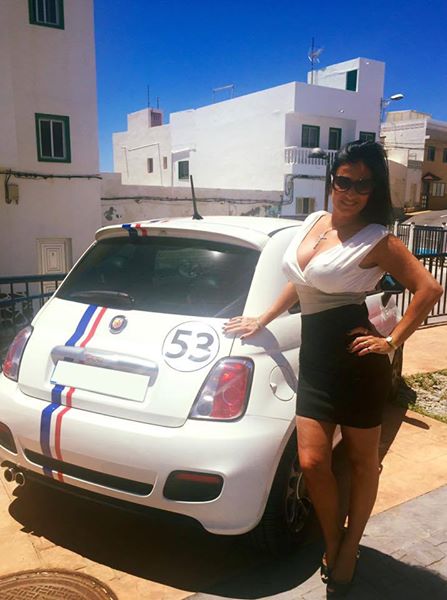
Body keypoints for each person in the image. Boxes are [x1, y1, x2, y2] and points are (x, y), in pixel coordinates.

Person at [224, 140, 443, 597]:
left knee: (363, 462)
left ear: (373, 190)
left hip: (358, 363)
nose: (351, 192)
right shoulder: (314, 223)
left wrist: (391, 341)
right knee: (312, 462)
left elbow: (428, 289)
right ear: (332, 181)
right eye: (344, 181)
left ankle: (348, 548)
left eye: (363, 185)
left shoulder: (377, 239)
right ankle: (333, 539)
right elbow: (300, 281)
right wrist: (263, 318)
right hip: (317, 365)